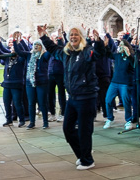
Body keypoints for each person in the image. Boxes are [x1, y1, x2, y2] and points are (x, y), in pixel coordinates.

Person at [37, 25, 108, 170]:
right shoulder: (66, 53)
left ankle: (87, 160)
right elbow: (53, 49)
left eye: (76, 34)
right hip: (73, 97)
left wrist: (98, 41)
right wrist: (43, 36)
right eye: (71, 35)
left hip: (87, 97)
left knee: (84, 130)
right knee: (67, 129)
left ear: (81, 37)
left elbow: (99, 53)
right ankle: (82, 155)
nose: (73, 37)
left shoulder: (87, 51)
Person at [0, 32, 31, 127]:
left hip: (16, 83)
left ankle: (22, 119)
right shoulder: (8, 58)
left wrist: (18, 42)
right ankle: (9, 119)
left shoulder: (21, 58)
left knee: (17, 103)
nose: (12, 50)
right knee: (6, 103)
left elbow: (24, 51)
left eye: (14, 48)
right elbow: (0, 52)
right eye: (11, 48)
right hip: (7, 83)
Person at [104, 31, 134, 130]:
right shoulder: (117, 56)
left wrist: (128, 55)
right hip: (114, 82)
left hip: (125, 83)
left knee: (126, 102)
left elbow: (134, 66)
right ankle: (110, 118)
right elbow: (108, 54)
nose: (120, 46)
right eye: (119, 45)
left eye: (122, 45)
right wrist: (105, 45)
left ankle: (129, 120)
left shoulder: (130, 57)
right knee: (108, 100)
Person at [24, 38, 53, 129]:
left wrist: (47, 40)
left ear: (41, 47)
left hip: (42, 82)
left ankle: (45, 122)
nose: (36, 46)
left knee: (42, 103)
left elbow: (50, 52)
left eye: (38, 45)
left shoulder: (44, 56)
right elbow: (19, 51)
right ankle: (32, 122)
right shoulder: (30, 55)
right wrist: (16, 41)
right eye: (35, 45)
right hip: (30, 82)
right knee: (31, 103)